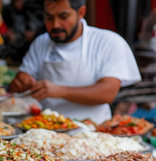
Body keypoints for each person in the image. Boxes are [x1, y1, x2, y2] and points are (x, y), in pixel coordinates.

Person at [9, 0, 141, 123]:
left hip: (94, 130)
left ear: (81, 12)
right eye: (49, 17)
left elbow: (108, 93)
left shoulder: (107, 42)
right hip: (45, 130)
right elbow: (20, 81)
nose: (55, 24)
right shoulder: (41, 42)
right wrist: (22, 81)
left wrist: (61, 91)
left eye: (63, 17)